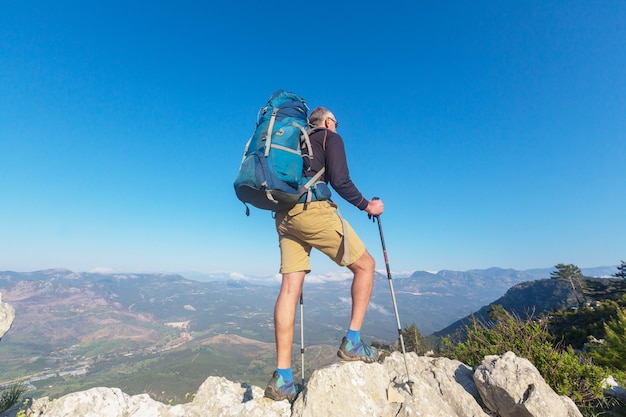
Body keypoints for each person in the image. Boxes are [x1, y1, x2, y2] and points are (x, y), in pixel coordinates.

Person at [264, 106, 385, 402]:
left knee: (290, 289)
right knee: (366, 266)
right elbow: (341, 181)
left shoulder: (296, 142)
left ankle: (283, 378)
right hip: (313, 210)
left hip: (284, 214)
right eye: (336, 121)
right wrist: (368, 205)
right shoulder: (330, 138)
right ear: (328, 122)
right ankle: (353, 342)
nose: (337, 125)